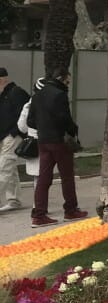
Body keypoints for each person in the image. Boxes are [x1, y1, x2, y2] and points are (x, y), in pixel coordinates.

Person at [27, 69, 87, 226]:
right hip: (59, 140)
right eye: (68, 81)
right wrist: (73, 130)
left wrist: (43, 128)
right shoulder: (59, 95)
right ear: (62, 79)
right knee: (67, 176)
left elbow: (30, 121)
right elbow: (64, 118)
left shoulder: (37, 95)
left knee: (43, 178)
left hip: (43, 141)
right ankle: (71, 210)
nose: (68, 84)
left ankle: (39, 215)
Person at [0, 67, 29, 212]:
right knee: (9, 168)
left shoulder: (16, 92)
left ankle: (13, 199)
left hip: (12, 136)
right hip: (4, 137)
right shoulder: (2, 95)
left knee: (4, 168)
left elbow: (26, 113)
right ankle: (14, 200)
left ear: (2, 79)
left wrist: (15, 133)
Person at [16, 79, 43, 196]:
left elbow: (22, 127)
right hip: (52, 141)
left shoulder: (29, 105)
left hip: (34, 143)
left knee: (38, 177)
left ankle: (38, 205)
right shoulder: (55, 101)